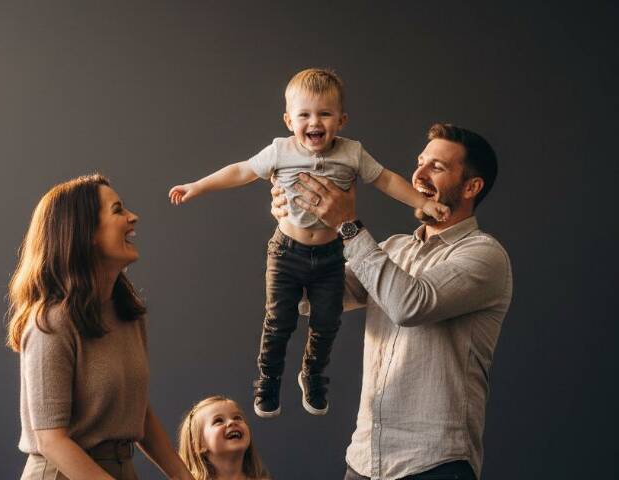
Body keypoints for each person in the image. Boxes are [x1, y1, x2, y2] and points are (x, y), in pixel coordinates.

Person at [272, 123, 513, 480]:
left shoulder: (485, 256)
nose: (418, 173)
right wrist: (294, 232)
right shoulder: (394, 248)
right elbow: (308, 300)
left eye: (436, 166)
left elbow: (410, 304)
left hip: (436, 471)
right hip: (364, 467)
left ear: (471, 187)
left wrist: (347, 226)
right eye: (420, 161)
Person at [168, 68, 449, 419]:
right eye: (304, 115)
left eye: (325, 114)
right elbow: (240, 171)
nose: (314, 122)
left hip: (331, 255)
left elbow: (387, 180)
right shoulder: (279, 151)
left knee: (327, 320)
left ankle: (313, 375)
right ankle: (268, 380)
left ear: (342, 120)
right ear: (288, 120)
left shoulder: (352, 153)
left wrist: (420, 203)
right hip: (287, 252)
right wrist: (197, 186)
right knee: (278, 320)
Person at [7, 174, 213, 480]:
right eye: (118, 210)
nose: (133, 217)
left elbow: (136, 409)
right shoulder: (51, 323)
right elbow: (51, 439)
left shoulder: (127, 314)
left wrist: (181, 476)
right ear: (83, 235)